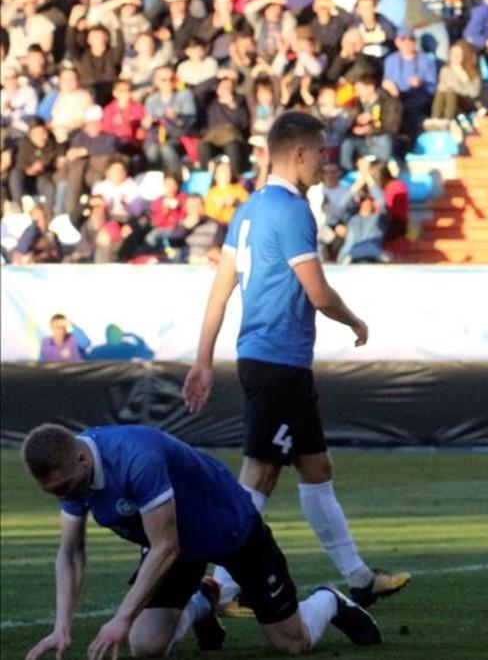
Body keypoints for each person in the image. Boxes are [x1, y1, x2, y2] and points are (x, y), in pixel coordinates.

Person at [184, 111, 409, 615]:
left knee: (315, 467)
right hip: (279, 362)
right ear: (300, 153)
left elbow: (221, 291)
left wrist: (203, 360)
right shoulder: (292, 211)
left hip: (267, 360)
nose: (327, 161)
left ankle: (359, 578)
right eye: (322, 152)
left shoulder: (247, 210)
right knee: (260, 475)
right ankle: (219, 587)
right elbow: (317, 292)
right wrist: (355, 322)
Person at [20, 423, 382, 660]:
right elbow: (70, 553)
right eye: (53, 492)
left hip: (229, 529)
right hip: (172, 538)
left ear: (82, 459)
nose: (63, 497)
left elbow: (166, 547)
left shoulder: (135, 459)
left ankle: (328, 600)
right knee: (146, 646)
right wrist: (61, 626)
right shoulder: (72, 472)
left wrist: (120, 618)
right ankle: (203, 601)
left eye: (65, 488)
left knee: (292, 643)